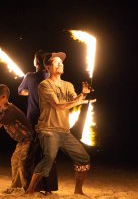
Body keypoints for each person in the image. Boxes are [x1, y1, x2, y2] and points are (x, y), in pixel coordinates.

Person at [26, 52, 91, 195]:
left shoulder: (68, 85)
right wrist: (79, 100)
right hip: (48, 129)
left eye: (61, 62)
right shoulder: (44, 85)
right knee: (49, 158)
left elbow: (74, 101)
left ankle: (78, 191)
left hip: (64, 131)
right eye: (56, 62)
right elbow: (58, 105)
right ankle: (30, 190)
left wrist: (83, 94)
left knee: (84, 158)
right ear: (48, 67)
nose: (60, 63)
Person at [18, 50, 58, 195]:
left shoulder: (29, 76)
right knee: (48, 154)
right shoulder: (53, 77)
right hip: (50, 120)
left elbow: (21, 91)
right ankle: (48, 189)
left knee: (31, 154)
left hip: (34, 120)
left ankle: (31, 187)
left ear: (35, 62)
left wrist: (31, 91)